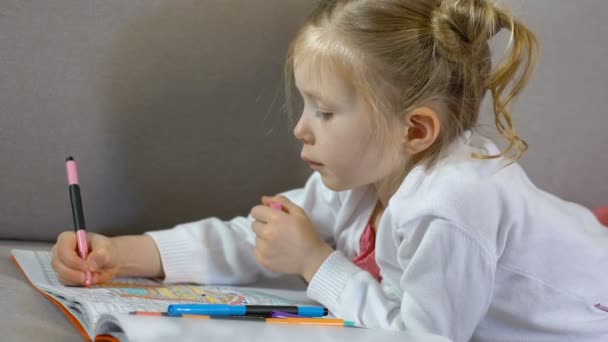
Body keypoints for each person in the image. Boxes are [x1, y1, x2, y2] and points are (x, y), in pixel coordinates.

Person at [51, 0, 608, 340]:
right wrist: (129, 254)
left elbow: (428, 336)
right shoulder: (365, 175)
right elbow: (264, 236)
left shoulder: (454, 202)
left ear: (414, 129)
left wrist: (316, 262)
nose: (301, 128)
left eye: (324, 111)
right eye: (304, 106)